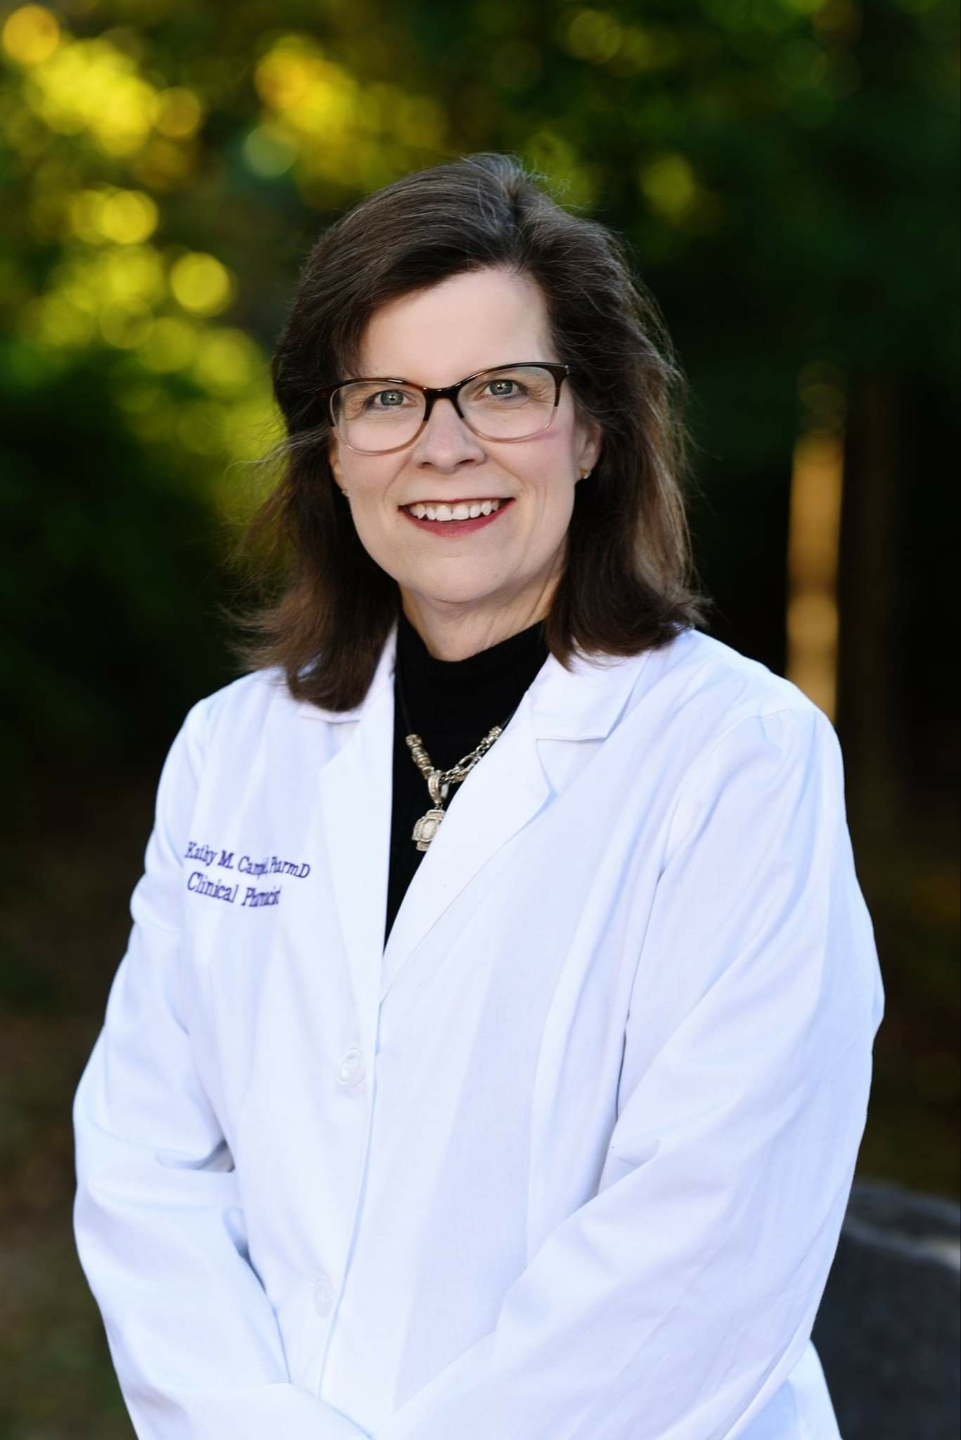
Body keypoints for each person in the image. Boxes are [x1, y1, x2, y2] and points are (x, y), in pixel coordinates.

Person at [72, 153, 884, 1440]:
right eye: (387, 396)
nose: (444, 444)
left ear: (594, 427)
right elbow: (145, 1170)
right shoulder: (232, 754)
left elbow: (708, 1236)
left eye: (505, 388)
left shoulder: (741, 759)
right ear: (333, 448)